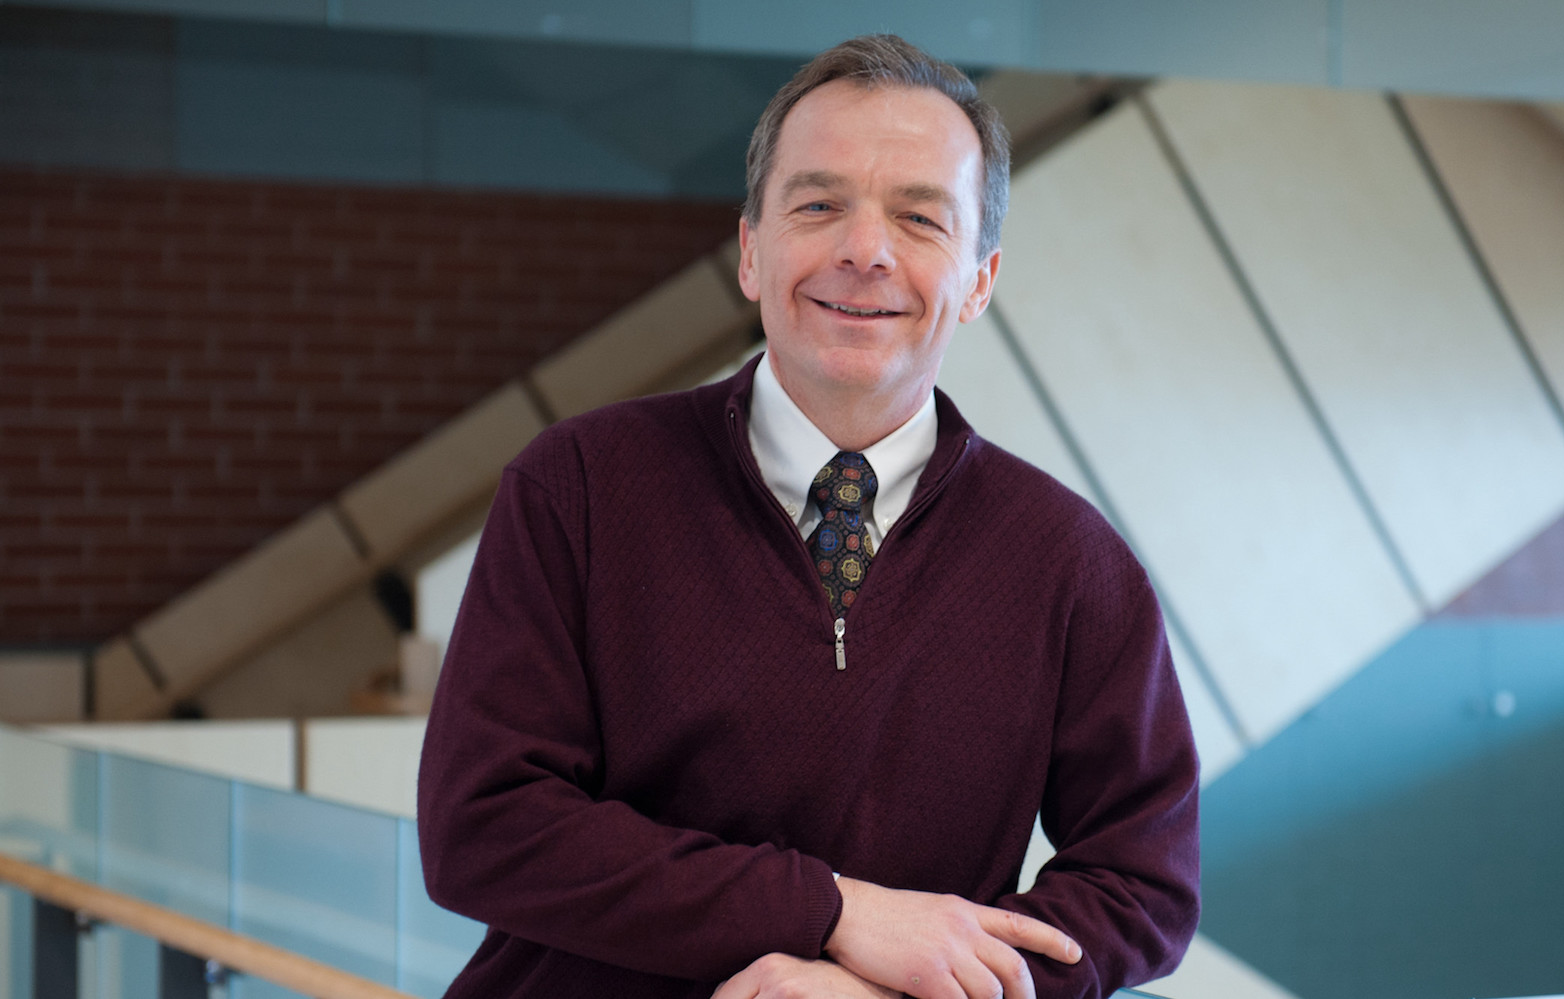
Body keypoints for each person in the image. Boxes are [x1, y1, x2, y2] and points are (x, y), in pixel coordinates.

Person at [416, 34, 1199, 999]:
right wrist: (835, 912)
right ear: (751, 252)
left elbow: (1143, 884)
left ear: (981, 278)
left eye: (920, 217)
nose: (864, 250)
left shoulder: (1073, 564)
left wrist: (902, 994)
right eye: (819, 204)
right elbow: (482, 826)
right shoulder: (575, 486)